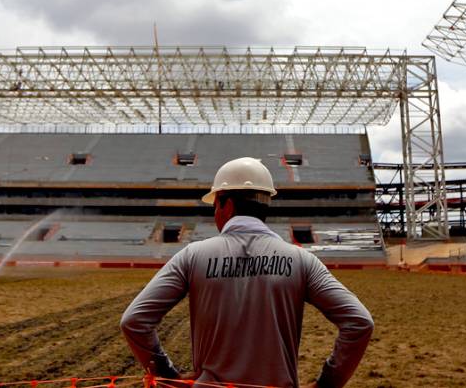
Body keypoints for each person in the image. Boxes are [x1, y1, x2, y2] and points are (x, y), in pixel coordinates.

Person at [120, 157, 374, 388]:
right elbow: (359, 322)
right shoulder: (302, 260)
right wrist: (327, 384)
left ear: (226, 205)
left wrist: (168, 378)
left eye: (215, 205)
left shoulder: (192, 255)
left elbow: (134, 321)